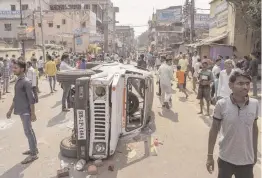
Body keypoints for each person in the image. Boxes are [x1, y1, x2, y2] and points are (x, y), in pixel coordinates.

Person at [206, 69, 259, 178]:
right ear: (231, 85)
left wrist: (254, 152)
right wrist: (210, 155)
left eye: (247, 83)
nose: (245, 87)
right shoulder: (222, 104)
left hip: (246, 160)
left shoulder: (255, 104)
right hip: (226, 159)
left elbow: (254, 128)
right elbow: (214, 129)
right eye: (240, 83)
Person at [6, 60, 38, 164]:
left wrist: (33, 113)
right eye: (13, 67)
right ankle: (34, 149)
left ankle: (33, 154)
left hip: (26, 111)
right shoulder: (18, 80)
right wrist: (10, 110)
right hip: (20, 110)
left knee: (28, 132)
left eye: (15, 68)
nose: (13, 69)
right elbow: (16, 97)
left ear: (22, 69)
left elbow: (31, 99)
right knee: (29, 131)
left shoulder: (26, 82)